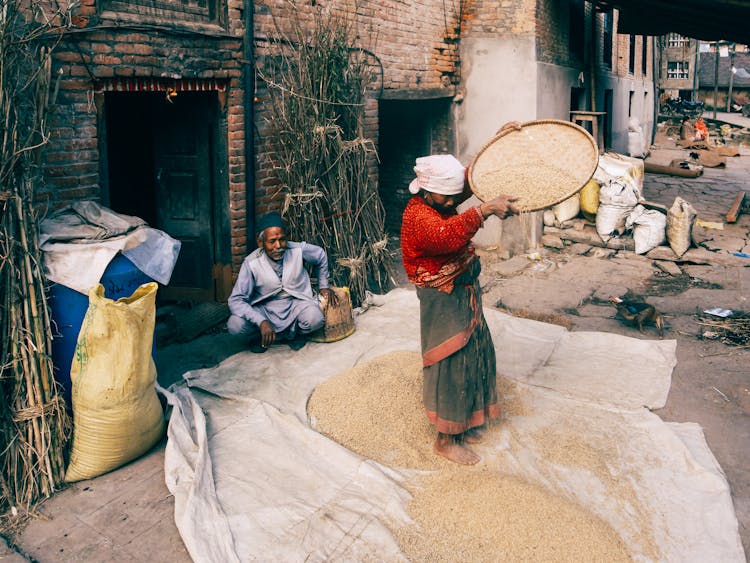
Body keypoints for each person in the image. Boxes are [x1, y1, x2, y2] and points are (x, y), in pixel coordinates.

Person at [400, 147, 519, 466]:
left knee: (475, 352)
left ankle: (465, 423)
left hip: (463, 288)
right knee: (450, 360)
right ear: (427, 190)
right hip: (442, 296)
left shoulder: (439, 197)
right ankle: (446, 438)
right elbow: (446, 236)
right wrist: (483, 211)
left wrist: (498, 141)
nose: (453, 203)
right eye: (447, 198)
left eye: (454, 197)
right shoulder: (418, 216)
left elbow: (467, 179)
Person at [227, 212, 337, 353]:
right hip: (265, 309)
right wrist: (261, 321)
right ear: (261, 243)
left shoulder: (297, 249)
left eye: (282, 240)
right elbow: (236, 300)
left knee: (315, 319)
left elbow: (320, 255)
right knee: (235, 325)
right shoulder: (251, 263)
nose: (278, 246)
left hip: (295, 304)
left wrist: (323, 286)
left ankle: (295, 334)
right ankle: (259, 336)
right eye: (272, 241)